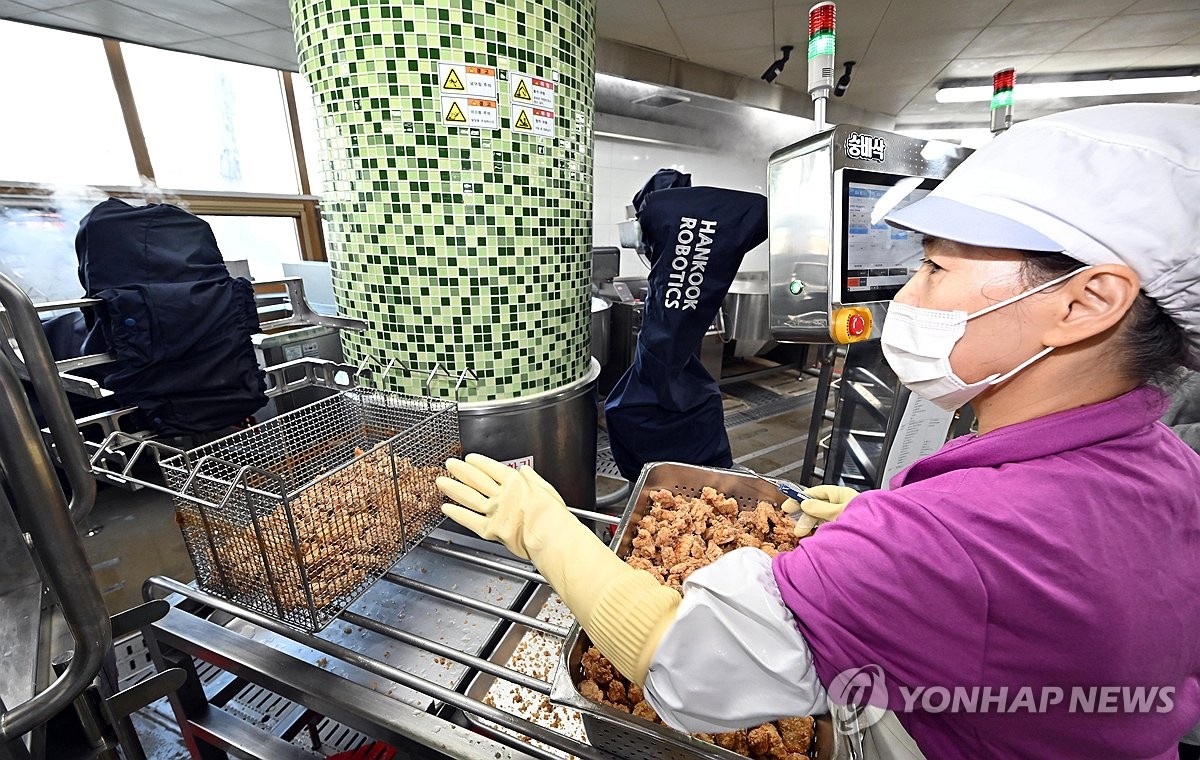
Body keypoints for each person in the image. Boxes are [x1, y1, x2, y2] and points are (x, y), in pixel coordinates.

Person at [437, 103, 1200, 759]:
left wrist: (541, 525)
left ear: (1087, 302)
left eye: (935, 268)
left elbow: (687, 661)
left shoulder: (963, 536)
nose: (909, 294)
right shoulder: (1163, 462)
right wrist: (878, 528)